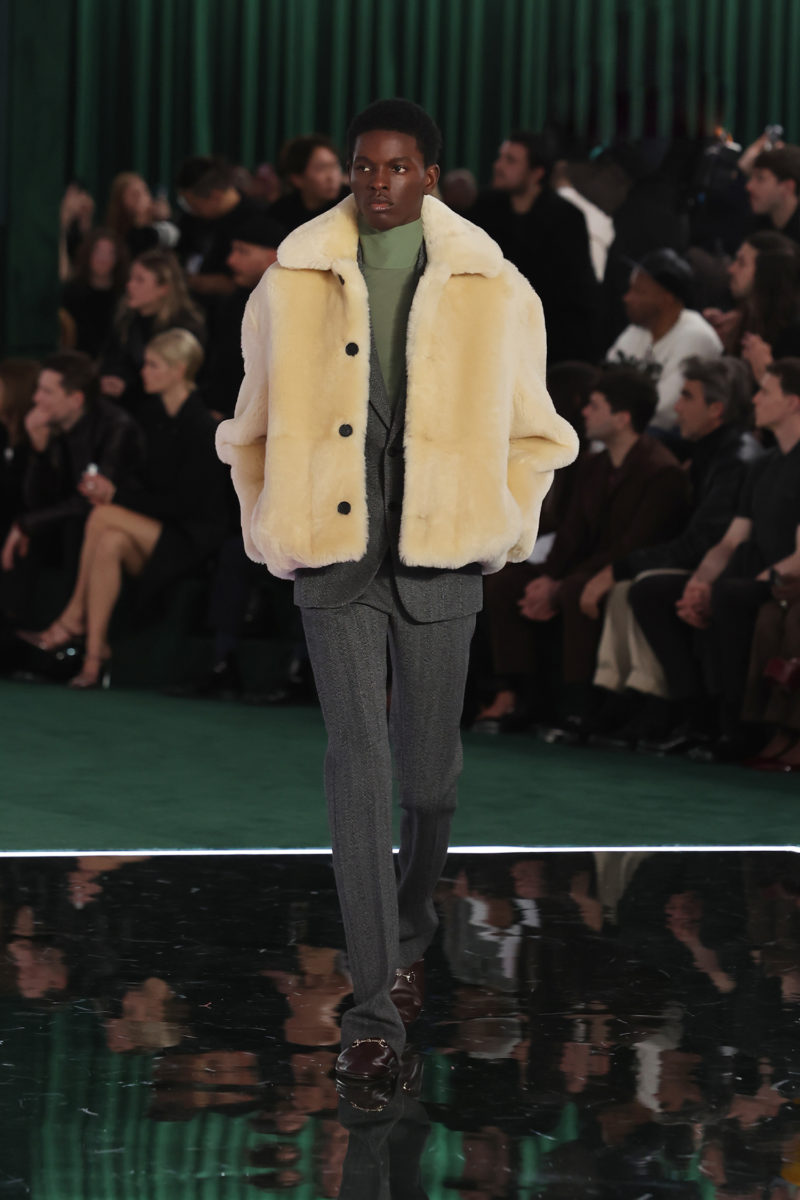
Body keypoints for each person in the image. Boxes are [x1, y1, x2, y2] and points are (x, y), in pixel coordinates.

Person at [216, 98, 578, 1084]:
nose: (377, 183)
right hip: (333, 554)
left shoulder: (492, 283)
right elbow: (249, 426)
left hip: (440, 553)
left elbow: (538, 431)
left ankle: (413, 919)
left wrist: (502, 522)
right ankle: (371, 1010)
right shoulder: (291, 279)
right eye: (363, 166)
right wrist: (272, 522)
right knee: (357, 764)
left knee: (427, 781)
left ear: (429, 175)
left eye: (396, 167)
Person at [478, 368, 689, 732]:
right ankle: (519, 694)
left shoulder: (661, 472)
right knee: (505, 582)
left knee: (575, 590)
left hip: (622, 569)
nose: (585, 412)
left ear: (622, 418)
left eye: (595, 405)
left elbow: (634, 544)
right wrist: (548, 578)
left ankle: (578, 707)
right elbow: (571, 533)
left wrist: (560, 583)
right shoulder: (593, 466)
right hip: (583, 566)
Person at [21, 330, 227, 688]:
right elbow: (145, 486)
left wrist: (115, 496)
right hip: (158, 529)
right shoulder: (153, 416)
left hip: (193, 539)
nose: (143, 371)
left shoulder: (201, 426)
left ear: (178, 370)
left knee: (104, 515)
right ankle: (94, 657)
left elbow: (186, 504)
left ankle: (72, 618)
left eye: (153, 365)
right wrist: (110, 490)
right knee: (109, 541)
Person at [589, 356, 756, 747]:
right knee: (628, 588)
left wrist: (621, 567)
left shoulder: (734, 458)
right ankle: (631, 699)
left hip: (731, 570)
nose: (676, 406)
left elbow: (703, 543)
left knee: (645, 587)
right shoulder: (711, 448)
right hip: (709, 565)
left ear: (715, 409)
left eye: (686, 397)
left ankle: (682, 711)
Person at [651, 359, 800, 758]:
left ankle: (738, 729)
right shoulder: (763, 464)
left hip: (785, 579)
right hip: (753, 574)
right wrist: (699, 582)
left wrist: (732, 585)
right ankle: (696, 718)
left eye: (765, 391)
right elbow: (731, 540)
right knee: (659, 591)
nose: (755, 399)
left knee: (730, 595)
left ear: (793, 403)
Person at [2, 353, 141, 580]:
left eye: (47, 391)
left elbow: (91, 501)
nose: (36, 398)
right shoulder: (52, 424)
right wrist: (39, 450)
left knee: (67, 529)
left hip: (113, 523)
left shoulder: (116, 427)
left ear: (76, 399)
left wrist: (26, 524)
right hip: (66, 519)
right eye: (38, 389)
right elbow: (37, 501)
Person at [469, 131, 600, 363]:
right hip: (489, 336)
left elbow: (575, 292)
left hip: (548, 341)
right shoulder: (484, 208)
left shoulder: (566, 218)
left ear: (537, 173)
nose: (498, 166)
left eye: (510, 160)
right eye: (500, 157)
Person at [606, 249, 723, 430]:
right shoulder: (637, 330)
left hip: (668, 437)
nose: (627, 298)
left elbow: (666, 409)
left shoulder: (697, 337)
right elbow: (604, 382)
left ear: (666, 298)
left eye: (639, 291)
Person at [99, 249, 204, 413]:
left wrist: (129, 389)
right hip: (124, 404)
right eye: (131, 278)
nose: (129, 285)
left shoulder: (183, 330)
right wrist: (113, 378)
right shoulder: (126, 318)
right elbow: (112, 357)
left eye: (139, 280)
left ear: (163, 289)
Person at [175, 156, 268, 300]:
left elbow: (241, 283)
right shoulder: (191, 219)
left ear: (215, 196)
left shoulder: (259, 222)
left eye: (194, 205)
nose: (192, 210)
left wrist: (193, 282)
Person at [60, 228, 129, 358]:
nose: (103, 259)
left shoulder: (125, 295)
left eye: (110, 253)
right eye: (98, 252)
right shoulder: (72, 292)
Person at [269, 135, 348, 233]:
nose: (332, 177)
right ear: (297, 179)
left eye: (335, 166)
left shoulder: (351, 202)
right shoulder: (281, 212)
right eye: (321, 168)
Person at [105, 172, 179, 259]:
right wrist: (140, 219)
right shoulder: (118, 235)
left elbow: (174, 241)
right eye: (134, 195)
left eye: (145, 191)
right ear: (121, 202)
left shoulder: (160, 223)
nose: (142, 198)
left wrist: (165, 219)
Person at [746, 145, 800, 245]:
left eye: (760, 178)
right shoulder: (759, 224)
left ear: (788, 187)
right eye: (751, 177)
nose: (749, 186)